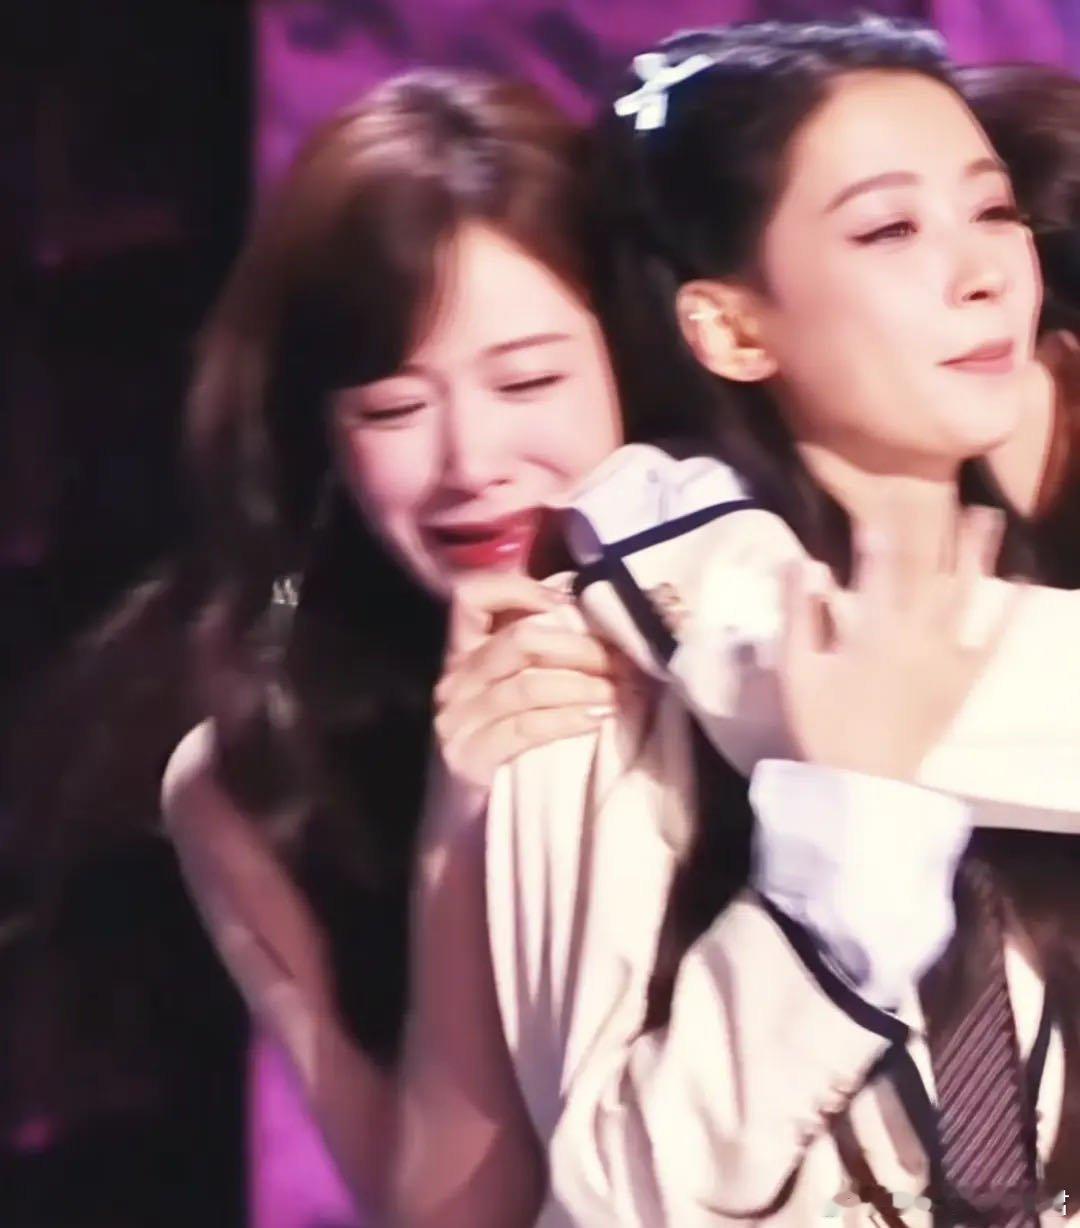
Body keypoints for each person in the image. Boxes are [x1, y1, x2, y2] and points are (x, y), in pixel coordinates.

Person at [400, 19, 1080, 1227]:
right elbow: (624, 1199)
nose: (982, 271)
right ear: (731, 327)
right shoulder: (588, 676)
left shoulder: (1034, 601)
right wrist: (844, 853)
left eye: (992, 210)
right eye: (890, 229)